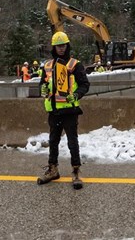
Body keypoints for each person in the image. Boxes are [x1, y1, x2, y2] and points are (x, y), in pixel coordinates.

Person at [37, 31, 90, 190]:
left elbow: (84, 84)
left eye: (63, 45)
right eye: (58, 46)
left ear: (67, 46)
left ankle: (76, 171)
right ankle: (53, 169)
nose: (61, 48)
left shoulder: (74, 65)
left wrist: (76, 95)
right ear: (54, 47)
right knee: (53, 141)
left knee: (72, 142)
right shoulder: (47, 65)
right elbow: (42, 84)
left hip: (69, 110)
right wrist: (43, 90)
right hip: (53, 110)